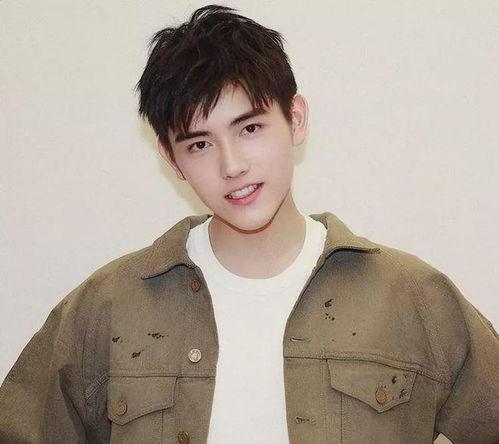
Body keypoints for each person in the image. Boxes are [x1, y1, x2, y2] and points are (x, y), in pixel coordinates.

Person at [1, 4, 498, 444]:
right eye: (200, 144)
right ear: (172, 160)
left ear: (295, 119)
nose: (232, 165)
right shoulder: (106, 308)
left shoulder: (412, 298)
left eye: (250, 128)